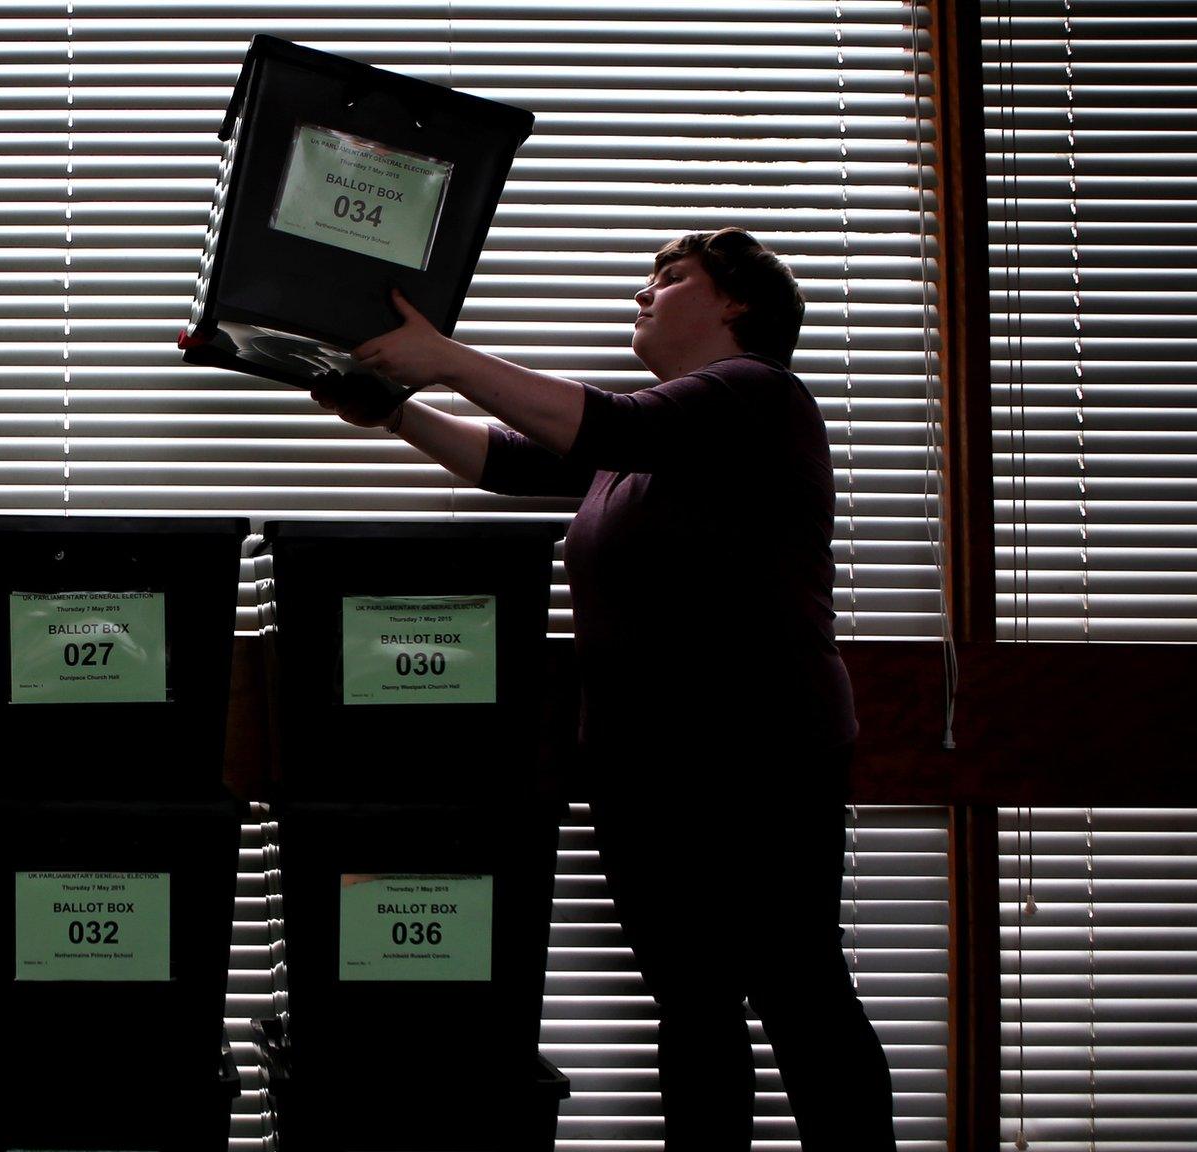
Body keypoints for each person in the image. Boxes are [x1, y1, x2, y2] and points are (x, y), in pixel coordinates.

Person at [311, 228, 897, 1150]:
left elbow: (602, 425)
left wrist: (443, 357)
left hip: (760, 755)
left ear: (736, 304)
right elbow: (507, 459)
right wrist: (394, 407)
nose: (642, 293)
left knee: (797, 986)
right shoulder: (658, 435)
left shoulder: (753, 397)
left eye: (669, 277)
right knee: (693, 999)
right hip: (649, 765)